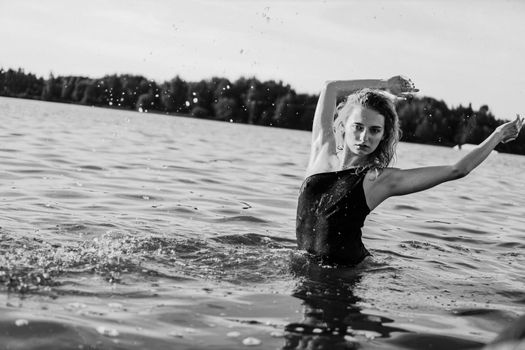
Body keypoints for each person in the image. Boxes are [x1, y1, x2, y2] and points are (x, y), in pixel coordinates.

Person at [296, 76, 523, 266]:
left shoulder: (379, 179)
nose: (365, 137)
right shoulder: (321, 152)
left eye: (375, 130)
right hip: (309, 265)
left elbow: (458, 169)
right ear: (344, 125)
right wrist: (384, 85)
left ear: (383, 136)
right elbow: (330, 88)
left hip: (348, 273)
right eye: (358, 127)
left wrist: (498, 135)